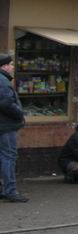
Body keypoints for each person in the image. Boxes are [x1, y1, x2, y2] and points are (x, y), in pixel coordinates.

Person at [0, 53, 28, 202]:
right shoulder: (2, 81)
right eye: (10, 64)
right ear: (4, 66)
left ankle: (3, 189)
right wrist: (19, 114)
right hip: (5, 126)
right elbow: (6, 103)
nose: (12, 67)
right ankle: (10, 191)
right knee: (8, 157)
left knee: (3, 157)